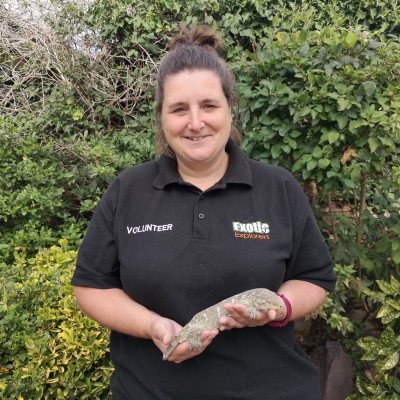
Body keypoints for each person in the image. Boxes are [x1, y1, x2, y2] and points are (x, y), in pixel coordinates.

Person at [71, 25, 336, 400]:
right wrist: (153, 326)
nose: (195, 123)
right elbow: (91, 285)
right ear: (161, 117)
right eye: (179, 109)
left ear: (230, 108)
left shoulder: (278, 188)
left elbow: (314, 278)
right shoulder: (128, 190)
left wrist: (279, 307)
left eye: (209, 105)